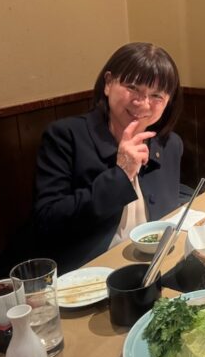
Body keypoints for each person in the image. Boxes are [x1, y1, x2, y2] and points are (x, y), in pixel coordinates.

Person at [32, 43, 184, 273]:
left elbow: (167, 204)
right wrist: (121, 173)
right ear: (108, 83)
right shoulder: (66, 136)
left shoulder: (169, 144)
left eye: (156, 95)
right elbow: (48, 221)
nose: (143, 103)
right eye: (132, 87)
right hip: (90, 273)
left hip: (156, 265)